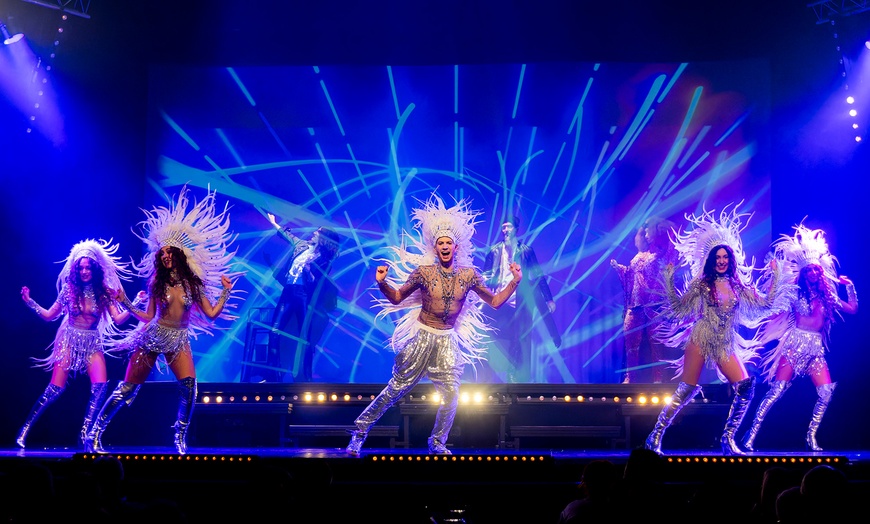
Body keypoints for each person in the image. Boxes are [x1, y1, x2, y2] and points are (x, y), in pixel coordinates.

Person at [346, 194, 522, 456]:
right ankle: (359, 433)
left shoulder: (469, 275)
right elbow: (397, 298)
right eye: (440, 242)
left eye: (448, 242)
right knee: (395, 389)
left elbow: (495, 302)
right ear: (435, 246)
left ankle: (437, 441)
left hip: (447, 341)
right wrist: (383, 283)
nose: (444, 246)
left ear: (456, 247)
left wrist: (514, 282)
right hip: (422, 337)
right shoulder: (424, 273)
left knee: (452, 395)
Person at [85, 184, 240, 455]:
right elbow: (147, 316)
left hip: (178, 339)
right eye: (163, 254)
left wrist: (226, 290)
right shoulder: (157, 282)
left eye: (170, 253)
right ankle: (94, 433)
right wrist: (125, 302)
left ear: (179, 256)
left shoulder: (194, 285)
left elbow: (212, 314)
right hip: (153, 335)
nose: (166, 257)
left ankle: (179, 437)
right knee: (129, 389)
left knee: (189, 387)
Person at [645, 204, 782, 455]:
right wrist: (667, 279)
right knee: (686, 389)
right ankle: (655, 436)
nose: (721, 261)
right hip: (701, 337)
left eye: (724, 258)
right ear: (711, 260)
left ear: (730, 259)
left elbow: (766, 304)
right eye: (717, 258)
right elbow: (678, 308)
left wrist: (776, 277)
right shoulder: (701, 284)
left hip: (724, 343)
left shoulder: (738, 286)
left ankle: (727, 439)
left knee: (745, 386)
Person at [742, 223, 857, 452]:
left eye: (816, 270)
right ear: (804, 274)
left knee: (826, 392)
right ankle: (750, 434)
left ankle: (811, 436)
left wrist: (851, 286)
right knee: (777, 391)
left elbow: (852, 309)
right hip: (795, 345)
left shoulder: (828, 296)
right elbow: (772, 301)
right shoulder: (794, 292)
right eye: (809, 271)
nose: (814, 273)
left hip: (815, 348)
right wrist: (774, 275)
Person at [16, 239, 136, 449]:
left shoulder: (104, 292)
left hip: (91, 341)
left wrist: (135, 304)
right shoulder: (68, 290)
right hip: (68, 340)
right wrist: (29, 301)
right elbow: (48, 315)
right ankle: (24, 429)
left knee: (100, 386)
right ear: (75, 269)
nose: (84, 271)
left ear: (95, 268)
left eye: (88, 267)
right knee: (55, 388)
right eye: (80, 267)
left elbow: (118, 319)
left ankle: (85, 436)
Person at [264, 213, 341, 382]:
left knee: (304, 337)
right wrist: (274, 223)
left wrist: (309, 268)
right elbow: (288, 235)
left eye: (318, 232)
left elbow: (315, 281)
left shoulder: (324, 260)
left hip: (304, 295)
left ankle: (305, 376)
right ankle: (272, 375)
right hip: (289, 292)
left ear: (324, 239)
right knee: (274, 331)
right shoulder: (302, 246)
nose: (314, 233)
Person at [482, 214, 558, 382]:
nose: (505, 230)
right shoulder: (494, 251)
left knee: (518, 338)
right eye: (503, 227)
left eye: (508, 227)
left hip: (519, 303)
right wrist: (488, 287)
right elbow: (485, 276)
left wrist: (548, 298)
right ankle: (487, 377)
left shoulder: (526, 251)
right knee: (494, 337)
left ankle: (514, 378)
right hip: (498, 301)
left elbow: (538, 276)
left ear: (516, 230)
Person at [610, 216, 678, 383]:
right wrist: (620, 269)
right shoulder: (638, 256)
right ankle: (630, 377)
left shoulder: (660, 253)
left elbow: (674, 249)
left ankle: (658, 379)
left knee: (656, 344)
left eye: (648, 230)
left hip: (654, 305)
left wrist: (665, 225)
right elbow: (630, 276)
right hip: (635, 305)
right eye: (643, 232)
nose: (645, 234)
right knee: (631, 342)